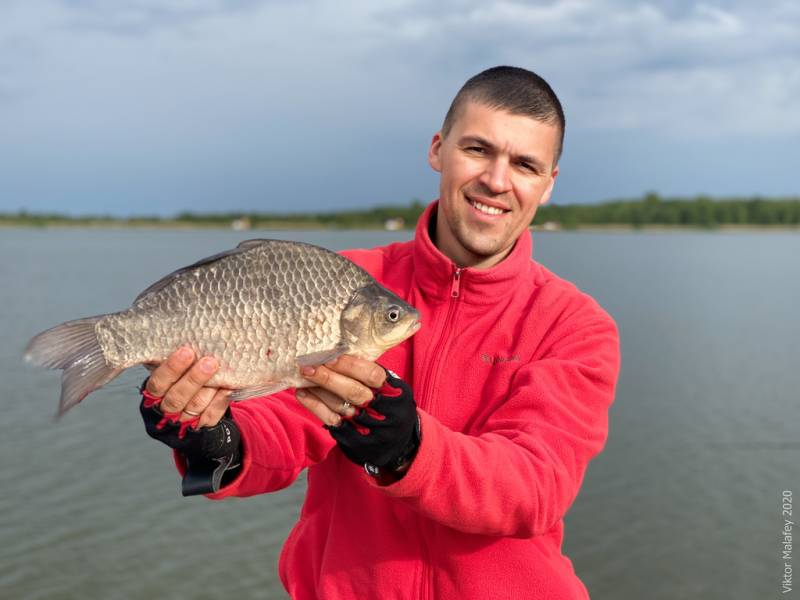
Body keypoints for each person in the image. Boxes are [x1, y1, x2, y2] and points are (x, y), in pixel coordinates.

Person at [139, 66, 621, 599]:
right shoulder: (346, 284)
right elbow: (283, 421)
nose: (497, 180)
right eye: (478, 149)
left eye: (525, 164)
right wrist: (217, 436)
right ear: (438, 149)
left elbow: (533, 487)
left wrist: (408, 448)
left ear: (549, 183)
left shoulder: (575, 325)